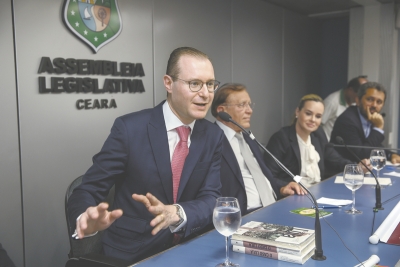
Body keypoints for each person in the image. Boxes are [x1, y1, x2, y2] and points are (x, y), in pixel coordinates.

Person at [67, 47, 225, 263]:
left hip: (193, 248)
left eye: (210, 84)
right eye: (195, 84)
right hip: (134, 253)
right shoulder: (129, 129)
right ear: (168, 83)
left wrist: (177, 212)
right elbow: (87, 189)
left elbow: (212, 197)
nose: (206, 94)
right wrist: (85, 217)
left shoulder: (213, 134)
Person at [211, 83, 305, 215]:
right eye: (242, 105)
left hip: (274, 206)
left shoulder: (247, 137)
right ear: (222, 110)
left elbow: (261, 175)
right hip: (243, 215)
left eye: (249, 104)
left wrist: (282, 188)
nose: (249, 110)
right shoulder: (211, 140)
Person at [264, 94, 369, 187]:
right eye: (308, 114)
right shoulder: (281, 138)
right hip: (293, 195)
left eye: (318, 116)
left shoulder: (318, 135)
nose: (313, 120)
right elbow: (268, 175)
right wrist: (286, 186)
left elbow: (335, 160)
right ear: (298, 111)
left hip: (318, 191)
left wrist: (357, 167)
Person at [331, 81, 400, 163]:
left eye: (379, 102)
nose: (374, 105)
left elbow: (373, 144)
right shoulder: (347, 120)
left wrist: (390, 155)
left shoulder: (368, 117)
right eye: (370, 99)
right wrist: (378, 128)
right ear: (357, 100)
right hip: (342, 172)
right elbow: (362, 155)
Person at [321, 75, 368, 140]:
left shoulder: (356, 102)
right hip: (330, 144)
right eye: (359, 94)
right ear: (350, 90)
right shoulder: (332, 102)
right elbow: (318, 125)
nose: (360, 98)